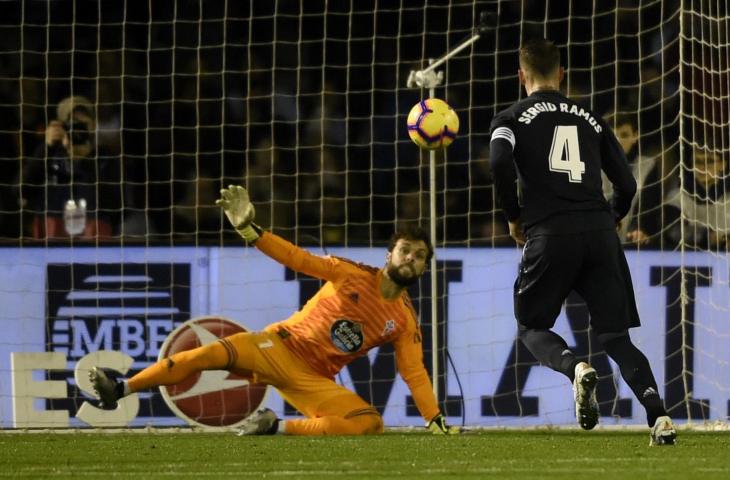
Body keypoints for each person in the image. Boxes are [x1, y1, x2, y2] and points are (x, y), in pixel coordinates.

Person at [90, 184, 459, 436]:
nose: (411, 258)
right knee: (204, 354)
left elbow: (414, 372)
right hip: (278, 346)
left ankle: (275, 426)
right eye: (406, 250)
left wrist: (434, 419)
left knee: (369, 423)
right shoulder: (349, 274)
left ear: (425, 268)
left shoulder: (404, 320)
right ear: (389, 254)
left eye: (420, 256)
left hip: (313, 379)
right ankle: (120, 389)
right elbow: (296, 258)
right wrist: (252, 231)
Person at [488, 38, 676, 445]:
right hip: (599, 233)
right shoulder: (590, 117)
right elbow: (625, 182)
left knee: (531, 326)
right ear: (562, 74)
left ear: (521, 76)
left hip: (549, 234)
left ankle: (575, 367)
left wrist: (513, 216)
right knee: (616, 338)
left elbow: (500, 161)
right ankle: (659, 416)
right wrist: (614, 215)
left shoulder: (510, 118)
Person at [19, 95, 121, 239]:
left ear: (92, 126)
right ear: (60, 127)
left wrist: (86, 161)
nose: (76, 128)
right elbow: (20, 190)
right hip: (52, 235)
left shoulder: (104, 157)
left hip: (93, 239)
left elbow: (117, 205)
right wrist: (46, 148)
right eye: (71, 122)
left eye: (82, 122)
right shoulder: (48, 156)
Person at [602, 112, 664, 247]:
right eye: (612, 135)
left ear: (635, 136)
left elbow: (650, 207)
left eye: (624, 135)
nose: (618, 141)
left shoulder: (647, 165)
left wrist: (640, 229)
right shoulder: (591, 165)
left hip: (631, 246)